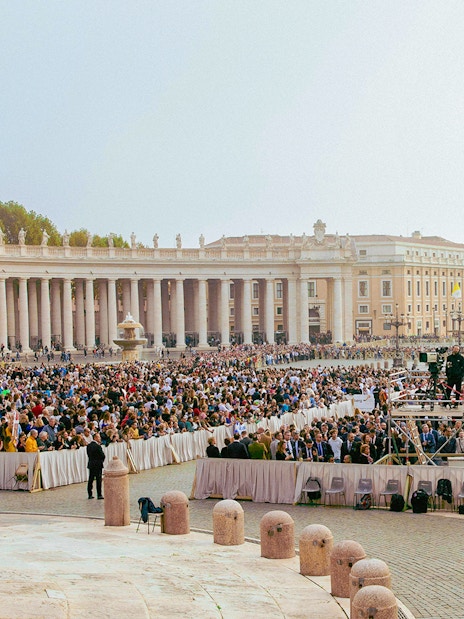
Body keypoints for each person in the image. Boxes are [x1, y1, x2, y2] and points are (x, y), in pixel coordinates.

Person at [86, 432, 105, 499]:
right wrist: (101, 461)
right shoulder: (98, 446)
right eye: (99, 437)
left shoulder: (89, 446)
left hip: (91, 464)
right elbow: (102, 455)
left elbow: (88, 455)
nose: (100, 438)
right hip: (98, 464)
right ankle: (99, 494)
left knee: (90, 479)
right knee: (98, 480)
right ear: (95, 438)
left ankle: (90, 494)